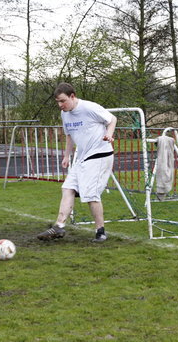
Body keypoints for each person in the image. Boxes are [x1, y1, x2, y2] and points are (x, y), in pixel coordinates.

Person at [37, 82, 117, 243]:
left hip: (99, 154)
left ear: (72, 96)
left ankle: (100, 232)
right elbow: (69, 136)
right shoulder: (65, 114)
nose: (60, 105)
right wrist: (67, 156)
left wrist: (109, 134)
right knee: (67, 188)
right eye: (58, 102)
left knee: (90, 194)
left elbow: (112, 118)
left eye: (63, 101)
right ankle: (59, 227)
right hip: (81, 157)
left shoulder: (89, 108)